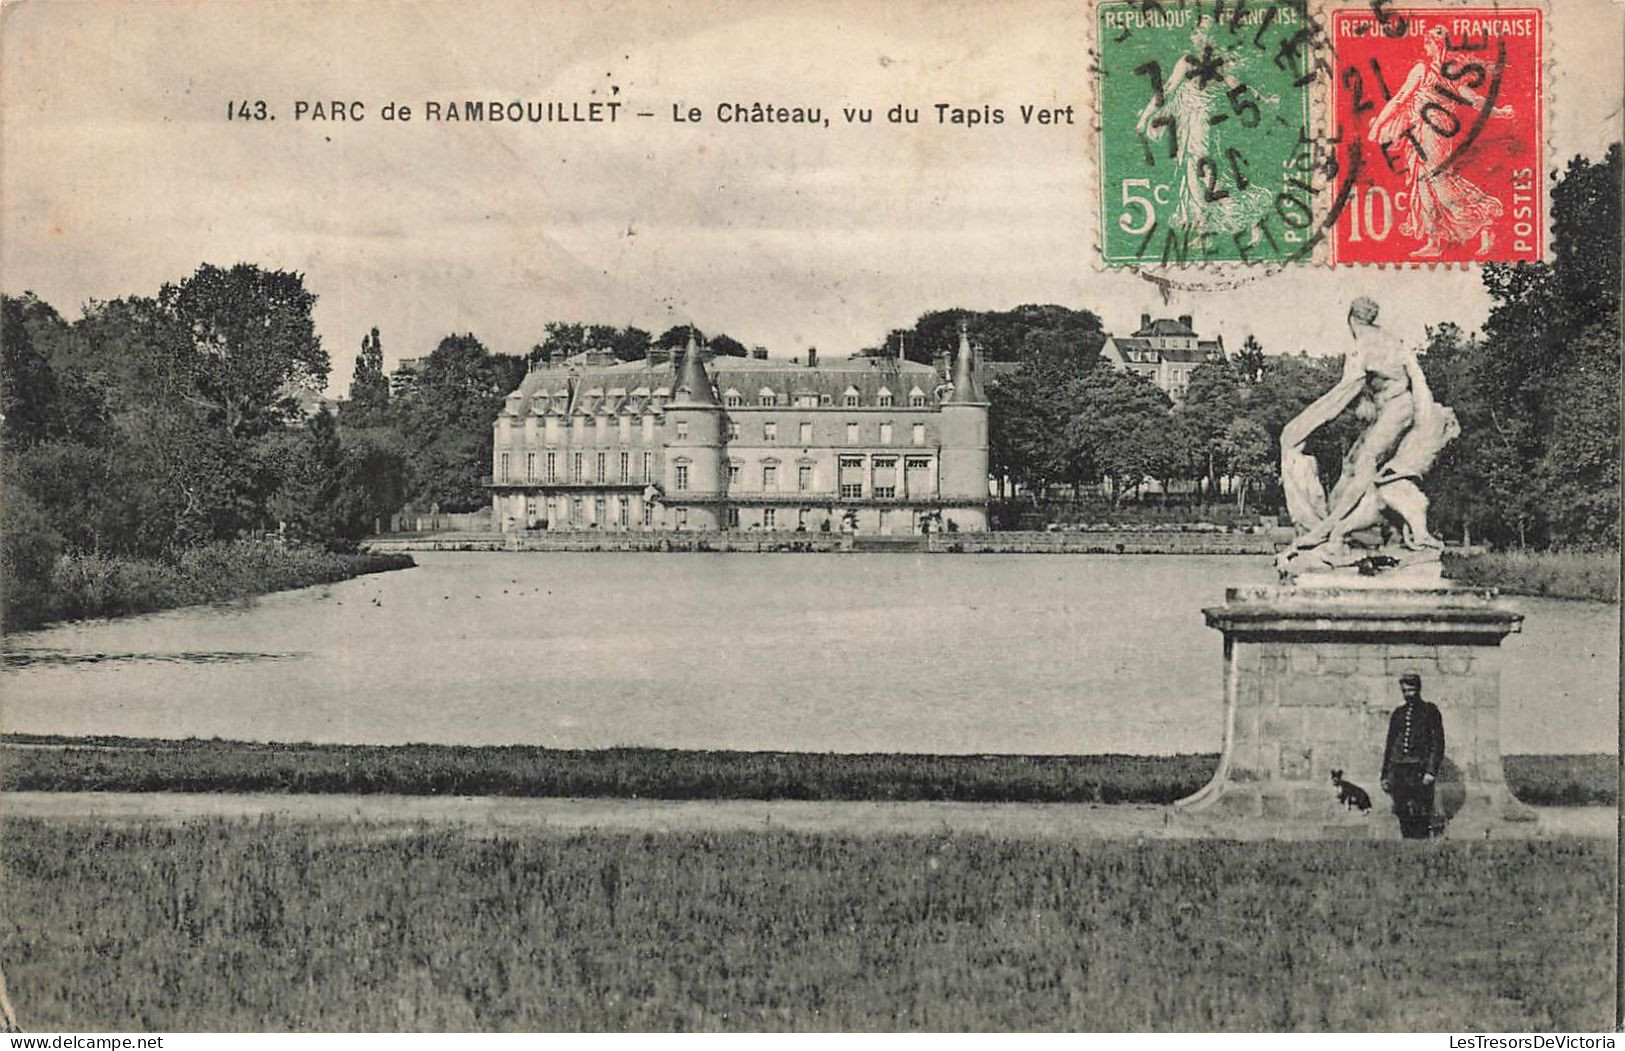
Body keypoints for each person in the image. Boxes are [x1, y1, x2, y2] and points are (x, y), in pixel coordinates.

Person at [1276, 297, 1458, 575]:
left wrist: (1303, 426)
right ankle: (1338, 531)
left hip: (1397, 409)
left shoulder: (1362, 347)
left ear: (1351, 320)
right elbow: (1407, 377)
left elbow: (1343, 393)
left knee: (1364, 463)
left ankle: (1327, 529)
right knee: (1352, 464)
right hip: (1400, 407)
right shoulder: (1387, 339)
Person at [1366, 26, 1515, 258]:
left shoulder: (1449, 72)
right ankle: (1433, 242)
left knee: (1441, 186)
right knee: (1423, 187)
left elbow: (1474, 99)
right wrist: (1379, 125)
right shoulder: (1422, 70)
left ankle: (1485, 221)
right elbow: (1400, 100)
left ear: (1436, 44)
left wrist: (1500, 112)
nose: (1426, 47)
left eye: (1428, 43)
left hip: (1437, 136)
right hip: (1419, 134)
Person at [1381, 672, 1446, 839]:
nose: (1408, 694)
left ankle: (1421, 844)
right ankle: (1408, 843)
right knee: (1402, 809)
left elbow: (1437, 743)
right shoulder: (1398, 713)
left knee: (1421, 810)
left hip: (1419, 768)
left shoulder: (1429, 711)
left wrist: (1431, 771)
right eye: (1404, 691)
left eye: (1411, 690)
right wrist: (1385, 774)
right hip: (1399, 768)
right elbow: (1390, 745)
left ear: (1418, 689)